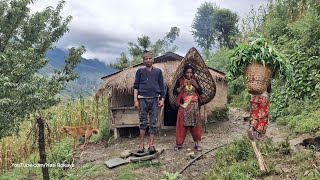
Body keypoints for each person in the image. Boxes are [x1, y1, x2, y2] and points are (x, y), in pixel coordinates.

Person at [133, 50, 165, 154]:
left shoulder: (158, 72)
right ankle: (141, 145)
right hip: (142, 99)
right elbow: (136, 87)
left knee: (153, 122)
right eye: (146, 59)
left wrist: (162, 99)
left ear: (153, 59)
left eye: (150, 58)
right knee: (143, 121)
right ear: (143, 61)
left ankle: (151, 145)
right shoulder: (140, 71)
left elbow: (162, 87)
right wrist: (135, 100)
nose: (148, 60)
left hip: (155, 99)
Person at [173, 64, 203, 151]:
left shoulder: (195, 80)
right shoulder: (180, 81)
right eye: (187, 72)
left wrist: (196, 85)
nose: (189, 74)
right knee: (181, 125)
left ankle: (197, 143)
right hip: (184, 106)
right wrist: (183, 85)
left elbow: (200, 92)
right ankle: (179, 144)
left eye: (191, 72)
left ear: (193, 73)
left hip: (194, 106)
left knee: (196, 124)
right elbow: (175, 92)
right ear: (184, 73)